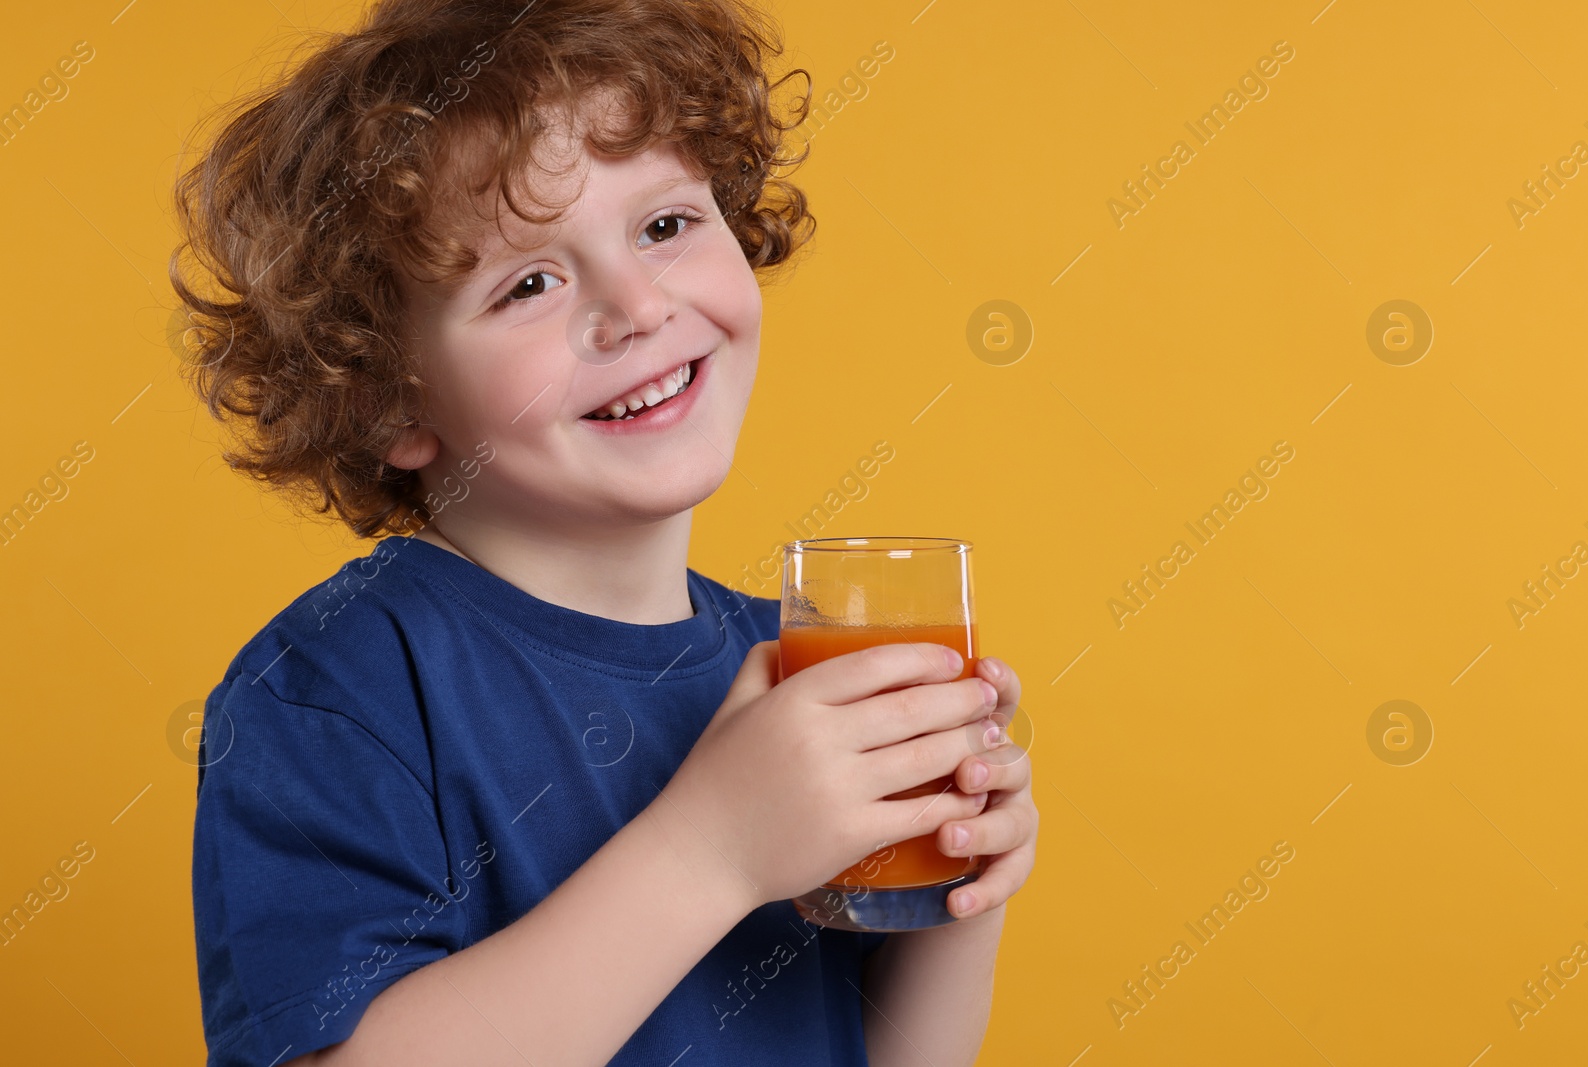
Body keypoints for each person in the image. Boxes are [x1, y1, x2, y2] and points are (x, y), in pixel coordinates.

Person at [170, 0, 1039, 1063]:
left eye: (666, 226)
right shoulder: (337, 689)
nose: (634, 305)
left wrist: (960, 879)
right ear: (386, 400)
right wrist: (711, 849)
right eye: (528, 282)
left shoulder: (786, 666)